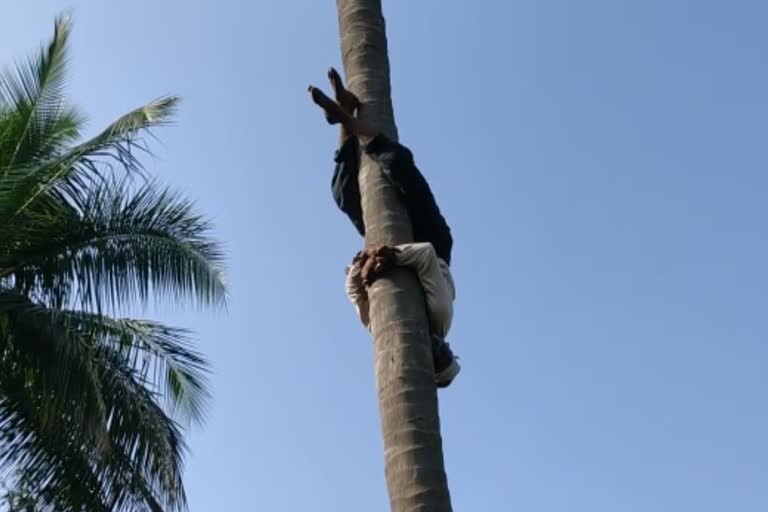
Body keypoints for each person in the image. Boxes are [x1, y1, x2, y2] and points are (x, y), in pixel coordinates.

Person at [309, 68, 460, 388]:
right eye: (446, 353)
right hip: (430, 238)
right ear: (448, 348)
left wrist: (359, 271)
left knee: (343, 193)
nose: (437, 350)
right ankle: (345, 118)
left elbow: (354, 295)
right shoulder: (441, 316)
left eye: (437, 360)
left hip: (387, 252)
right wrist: (386, 255)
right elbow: (426, 256)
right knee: (397, 164)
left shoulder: (386, 324)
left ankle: (346, 113)